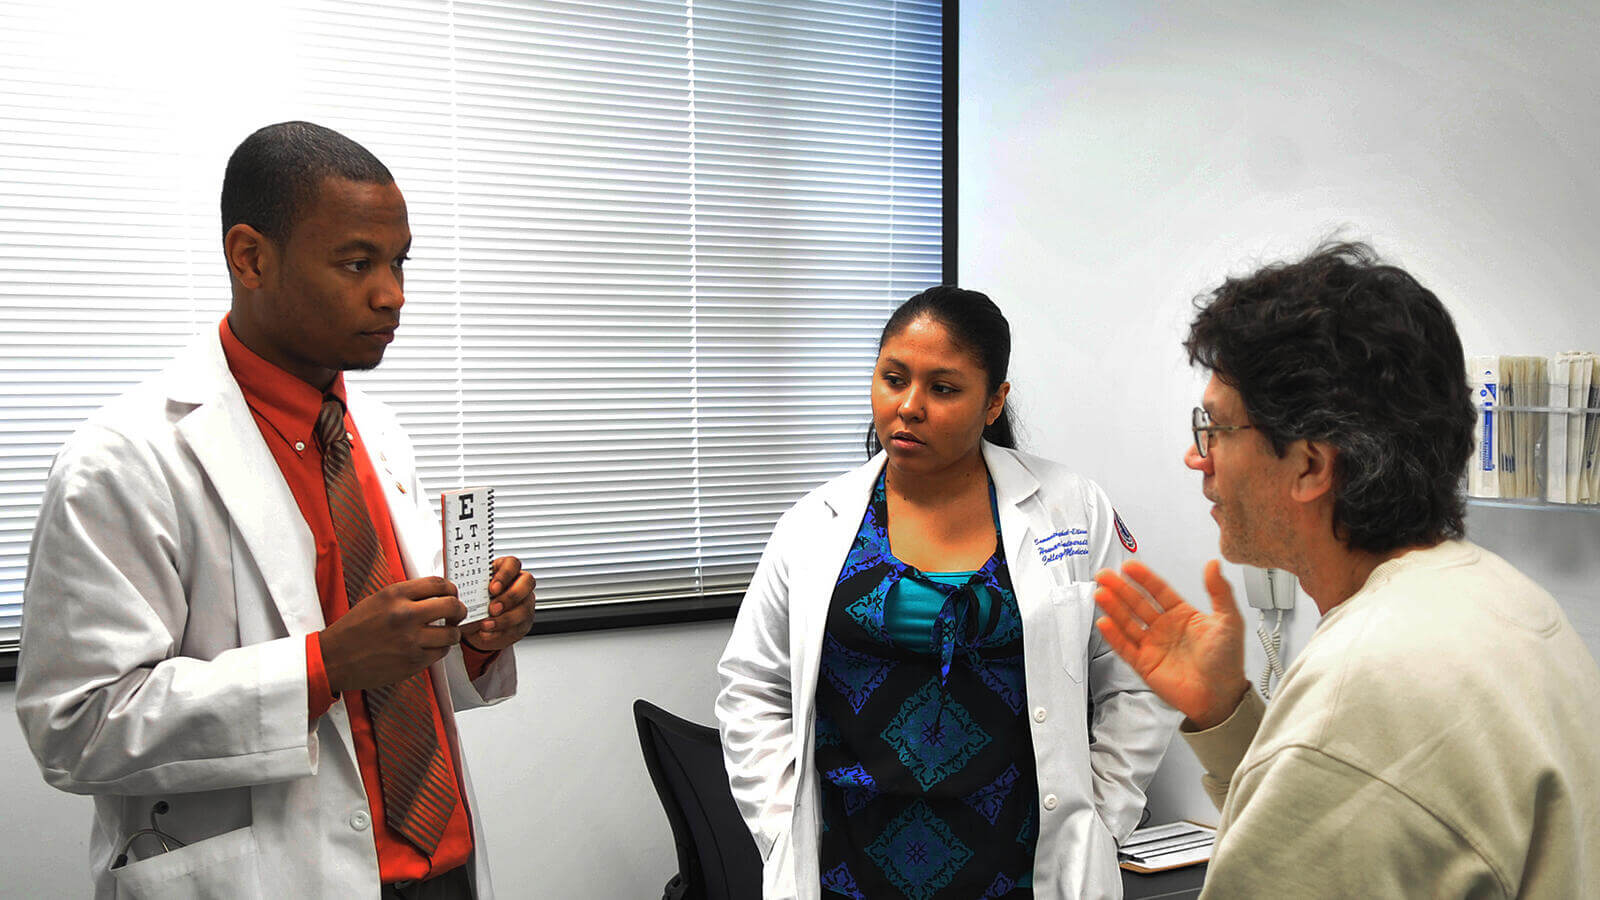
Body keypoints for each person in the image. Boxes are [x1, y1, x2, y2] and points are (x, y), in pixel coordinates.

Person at [15, 121, 537, 899]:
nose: (393, 294)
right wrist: (326, 666)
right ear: (250, 257)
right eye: (357, 263)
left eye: (399, 262)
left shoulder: (377, 433)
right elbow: (79, 729)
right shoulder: (123, 460)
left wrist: (479, 637)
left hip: (444, 869)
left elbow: (405, 668)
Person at [1093, 243, 1600, 897]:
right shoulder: (1508, 602)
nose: (1200, 459)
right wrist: (1226, 712)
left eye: (1216, 428)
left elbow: (1345, 779)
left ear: (1309, 466)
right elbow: (1369, 823)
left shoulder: (1364, 686)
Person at [717, 285, 1177, 899]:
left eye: (943, 388)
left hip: (1021, 872)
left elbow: (1137, 674)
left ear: (994, 402)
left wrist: (1103, 814)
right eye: (893, 378)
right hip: (845, 871)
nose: (908, 406)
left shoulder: (1071, 509)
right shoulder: (814, 524)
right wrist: (779, 826)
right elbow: (752, 685)